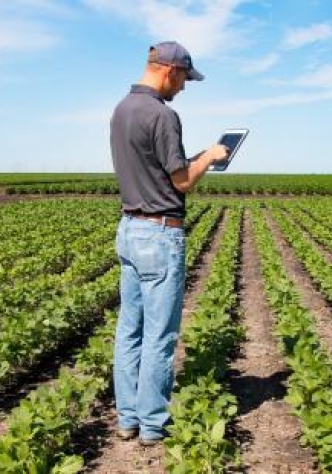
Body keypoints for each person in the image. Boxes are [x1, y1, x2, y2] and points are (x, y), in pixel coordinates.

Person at [110, 40, 229, 446]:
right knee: (159, 335)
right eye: (184, 78)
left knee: (130, 329)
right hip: (159, 234)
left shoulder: (121, 110)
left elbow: (154, 169)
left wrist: (191, 159)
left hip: (128, 229)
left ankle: (127, 419)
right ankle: (153, 426)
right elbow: (181, 182)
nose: (184, 87)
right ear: (168, 70)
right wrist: (210, 157)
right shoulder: (163, 115)